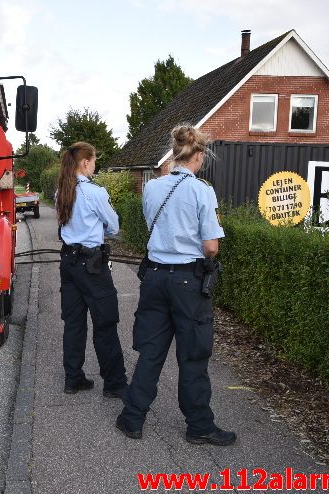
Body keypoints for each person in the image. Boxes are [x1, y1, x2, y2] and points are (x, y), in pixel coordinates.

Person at [116, 125, 236, 446]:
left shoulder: (152, 188)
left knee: (151, 351)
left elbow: (152, 225)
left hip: (154, 276)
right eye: (201, 159)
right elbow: (211, 246)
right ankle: (199, 426)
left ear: (174, 154)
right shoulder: (201, 191)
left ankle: (132, 418)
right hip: (187, 282)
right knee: (193, 355)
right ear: (197, 156)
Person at [57, 141, 127, 398]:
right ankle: (115, 383)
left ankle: (73, 378)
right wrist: (100, 230)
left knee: (74, 323)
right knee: (105, 322)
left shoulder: (62, 191)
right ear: (85, 162)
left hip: (69, 263)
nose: (95, 165)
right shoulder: (94, 193)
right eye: (94, 160)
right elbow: (114, 226)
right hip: (92, 266)